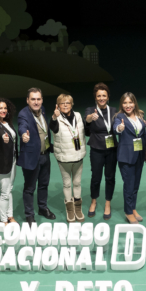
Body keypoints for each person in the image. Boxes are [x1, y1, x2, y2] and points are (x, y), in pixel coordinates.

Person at [17, 88, 56, 226]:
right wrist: (23, 135)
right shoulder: (23, 114)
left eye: (38, 99)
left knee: (44, 184)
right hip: (32, 158)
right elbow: (22, 126)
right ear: (27, 100)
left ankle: (42, 208)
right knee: (29, 188)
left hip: (45, 155)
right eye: (33, 99)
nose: (36, 102)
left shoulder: (43, 110)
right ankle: (29, 214)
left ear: (42, 100)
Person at [50, 94, 86, 222]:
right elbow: (53, 128)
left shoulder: (78, 115)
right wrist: (54, 117)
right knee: (67, 184)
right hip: (64, 158)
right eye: (62, 103)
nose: (65, 105)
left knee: (77, 183)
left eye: (68, 103)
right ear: (58, 105)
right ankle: (70, 210)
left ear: (72, 104)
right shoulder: (56, 118)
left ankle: (78, 209)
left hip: (78, 156)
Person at [113, 92, 146, 224]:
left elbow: (143, 134)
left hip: (139, 154)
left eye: (130, 102)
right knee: (128, 185)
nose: (128, 105)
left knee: (135, 185)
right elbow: (116, 128)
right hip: (126, 156)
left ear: (134, 103)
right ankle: (128, 212)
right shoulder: (119, 117)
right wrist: (120, 128)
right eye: (125, 103)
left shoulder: (139, 116)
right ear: (122, 104)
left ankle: (133, 208)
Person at [84, 82, 118, 220]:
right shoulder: (90, 110)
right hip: (97, 149)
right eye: (99, 96)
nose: (101, 98)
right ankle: (93, 201)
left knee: (110, 177)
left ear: (108, 97)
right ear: (95, 98)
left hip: (112, 149)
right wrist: (91, 118)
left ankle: (108, 203)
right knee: (96, 177)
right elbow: (86, 120)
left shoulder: (114, 110)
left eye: (104, 95)